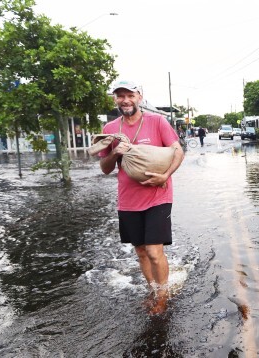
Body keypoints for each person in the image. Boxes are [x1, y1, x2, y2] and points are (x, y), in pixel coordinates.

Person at [98, 80, 185, 314]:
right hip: (128, 200)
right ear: (115, 99)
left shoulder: (157, 121)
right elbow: (105, 168)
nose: (125, 100)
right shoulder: (110, 129)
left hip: (159, 194)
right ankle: (153, 290)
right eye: (120, 96)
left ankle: (162, 297)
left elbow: (178, 151)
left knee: (155, 251)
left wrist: (164, 175)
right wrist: (115, 152)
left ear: (140, 96)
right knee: (141, 251)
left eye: (130, 95)